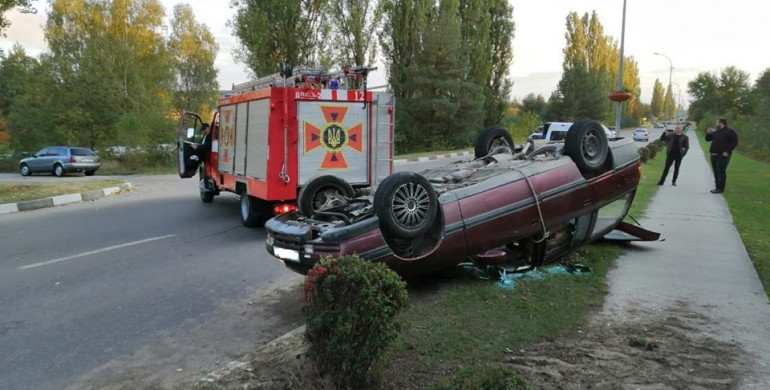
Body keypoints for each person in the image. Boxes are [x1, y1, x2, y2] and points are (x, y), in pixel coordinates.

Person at [705, 118, 739, 194]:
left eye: (717, 122)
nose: (716, 124)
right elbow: (707, 139)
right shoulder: (717, 132)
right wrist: (708, 133)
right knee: (716, 171)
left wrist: (728, 151)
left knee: (721, 171)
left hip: (723, 155)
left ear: (721, 123)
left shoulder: (730, 131)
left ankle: (721, 188)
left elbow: (735, 142)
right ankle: (717, 187)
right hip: (714, 154)